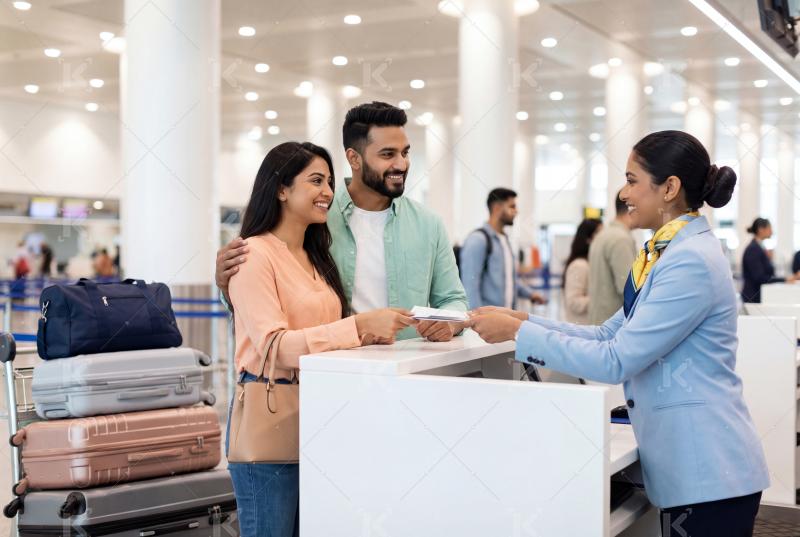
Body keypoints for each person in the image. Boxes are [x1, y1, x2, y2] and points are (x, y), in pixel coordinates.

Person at [468, 130, 769, 537]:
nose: (624, 193)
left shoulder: (689, 261)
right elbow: (608, 332)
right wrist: (523, 321)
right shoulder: (663, 253)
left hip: (709, 469)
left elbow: (616, 359)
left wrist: (520, 338)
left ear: (670, 188)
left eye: (631, 180)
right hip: (695, 470)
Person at [226, 141, 415, 537]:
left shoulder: (317, 257)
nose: (328, 191)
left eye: (330, 181)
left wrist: (375, 336)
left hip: (323, 420)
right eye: (316, 180)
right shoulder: (253, 255)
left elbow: (329, 338)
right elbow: (274, 347)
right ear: (281, 188)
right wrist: (359, 327)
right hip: (271, 419)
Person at [216, 102, 468, 342]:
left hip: (405, 372)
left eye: (405, 152)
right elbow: (269, 282)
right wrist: (226, 284)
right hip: (334, 370)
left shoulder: (428, 225)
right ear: (354, 158)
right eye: (388, 154)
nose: (401, 164)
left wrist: (450, 323)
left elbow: (453, 299)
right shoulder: (315, 216)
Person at [459, 188, 546, 310]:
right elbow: (470, 286)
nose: (516, 211)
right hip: (486, 323)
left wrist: (530, 294)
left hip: (506, 319)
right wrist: (477, 323)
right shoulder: (478, 240)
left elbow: (509, 281)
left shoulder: (504, 240)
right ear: (497, 208)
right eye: (512, 206)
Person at [587, 191, 636, 324]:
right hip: (613, 328)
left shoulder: (603, 235)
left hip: (598, 322)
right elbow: (628, 290)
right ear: (632, 208)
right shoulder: (621, 239)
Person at [741, 217, 794, 303]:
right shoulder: (753, 249)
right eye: (770, 228)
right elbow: (759, 277)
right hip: (753, 297)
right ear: (761, 229)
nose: (772, 232)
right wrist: (784, 279)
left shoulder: (759, 247)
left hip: (758, 295)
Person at [562, 218, 602, 324]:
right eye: (599, 234)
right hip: (581, 329)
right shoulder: (579, 265)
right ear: (588, 239)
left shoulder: (591, 263)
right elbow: (573, 302)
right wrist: (603, 298)